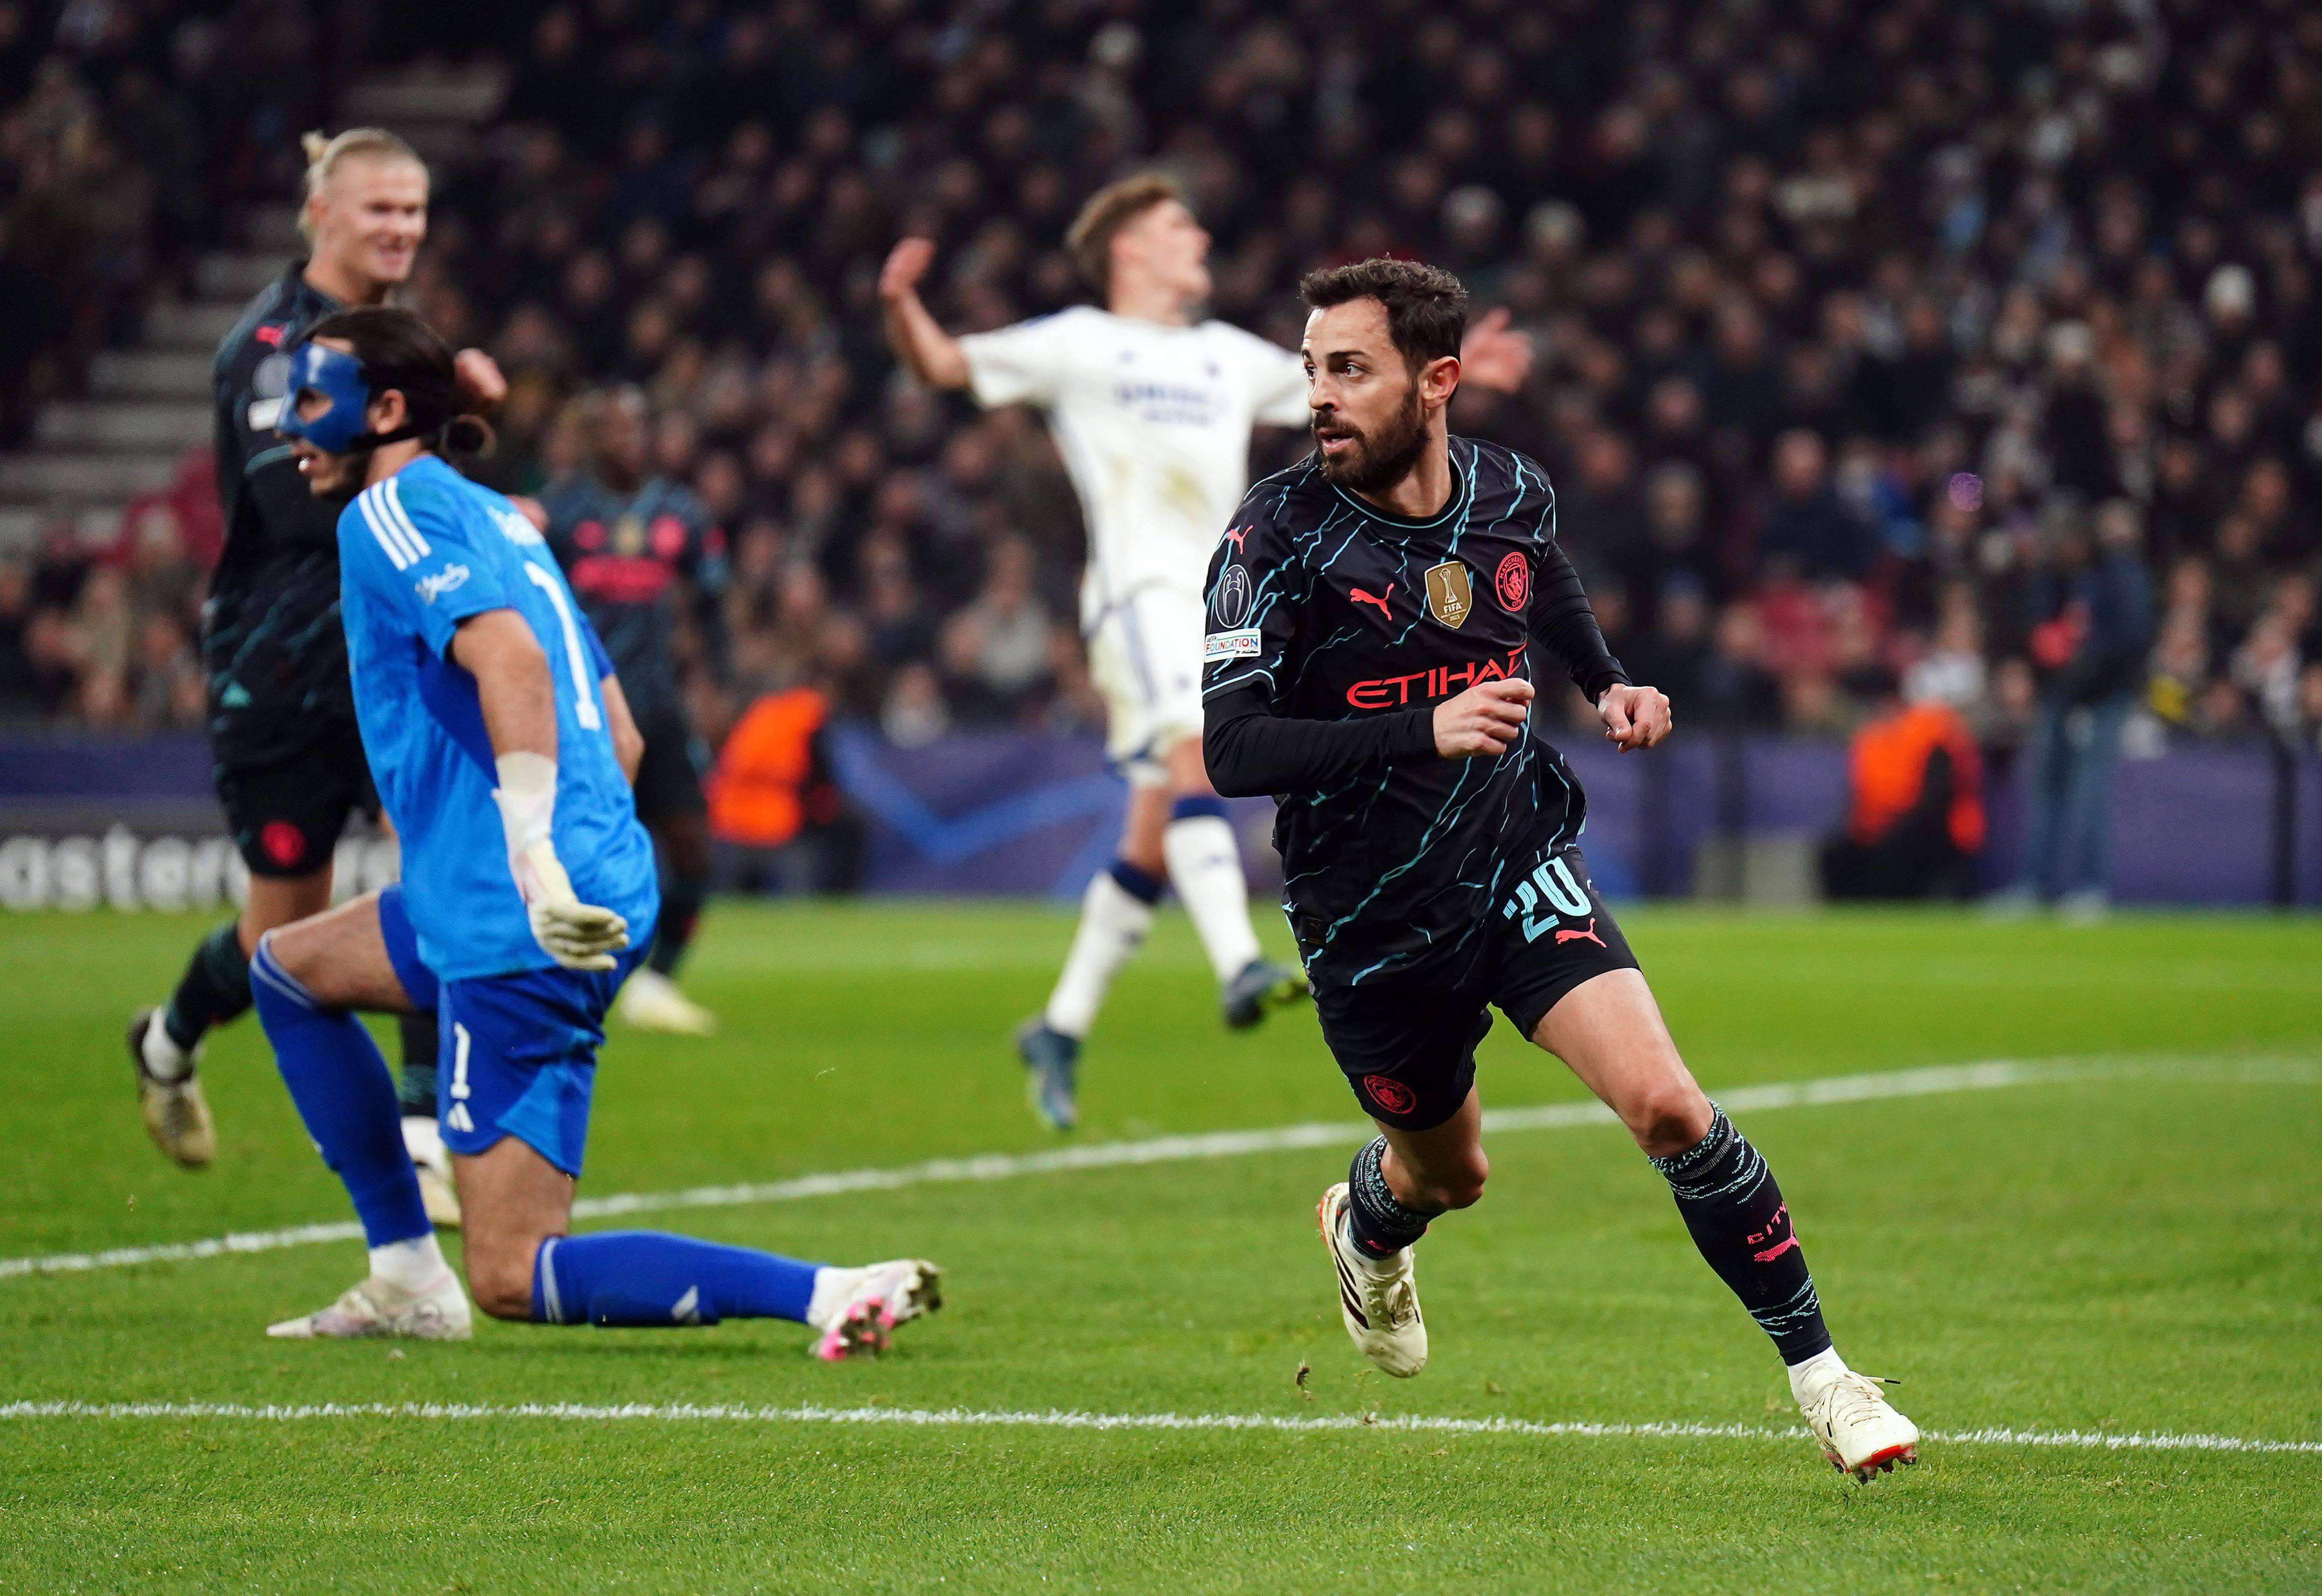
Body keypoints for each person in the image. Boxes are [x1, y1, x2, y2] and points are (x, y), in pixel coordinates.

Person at [1201, 259, 1919, 1481]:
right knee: (1449, 1171)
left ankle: (1826, 1377)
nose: (1316, 395)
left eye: (1348, 369)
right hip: (1367, 915)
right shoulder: (1271, 535)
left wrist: (1605, 681)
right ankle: (1366, 1220)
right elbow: (1230, 746)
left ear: (1436, 383)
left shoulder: (1509, 489)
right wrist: (1415, 728)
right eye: (1311, 368)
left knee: (1667, 1105)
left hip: (1516, 855)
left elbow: (1545, 580)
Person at [252, 307, 939, 1352]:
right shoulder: (505, 518)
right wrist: (573, 857)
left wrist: (532, 860)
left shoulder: (386, 514)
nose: (293, 421)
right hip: (559, 882)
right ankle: (401, 1271)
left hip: (517, 905)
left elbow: (516, 666)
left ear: (385, 410)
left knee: (512, 1271)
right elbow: (614, 730)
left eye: (311, 398)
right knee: (290, 969)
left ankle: (830, 1287)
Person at [878, 172, 1532, 1130]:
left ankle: (1059, 1027)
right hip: (1140, 597)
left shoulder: (1232, 359)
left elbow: (1362, 381)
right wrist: (900, 304)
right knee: (1197, 753)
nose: (1198, 239)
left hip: (1225, 598)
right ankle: (1238, 961)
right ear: (1128, 249)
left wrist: (1456, 362)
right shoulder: (1077, 343)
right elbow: (941, 365)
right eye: (1177, 226)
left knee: (1156, 816)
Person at [128, 129, 503, 1229]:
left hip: (391, 657)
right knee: (277, 937)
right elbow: (300, 503)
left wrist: (459, 421)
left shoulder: (402, 344)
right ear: (319, 214)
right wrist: (444, 433)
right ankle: (167, 1037)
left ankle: (428, 1127)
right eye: (380, 209)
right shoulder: (272, 344)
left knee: (444, 860)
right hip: (283, 670)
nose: (401, 229)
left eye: (415, 211)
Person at [532, 388, 726, 1034]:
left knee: (693, 850)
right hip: (582, 716)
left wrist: (713, 684)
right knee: (573, 852)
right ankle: (550, 974)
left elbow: (713, 605)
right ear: (591, 438)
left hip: (660, 710)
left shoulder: (683, 512)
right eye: (610, 427)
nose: (625, 438)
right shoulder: (562, 513)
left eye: (635, 425)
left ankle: (658, 981)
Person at [2006, 500, 2156, 919]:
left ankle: (2090, 888)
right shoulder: (2052, 576)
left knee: (2090, 788)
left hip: (2106, 694)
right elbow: (2035, 627)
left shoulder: (2119, 572)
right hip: (2061, 693)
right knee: (2045, 785)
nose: (2060, 551)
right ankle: (2033, 886)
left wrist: (2086, 669)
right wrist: (2048, 659)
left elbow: (2132, 637)